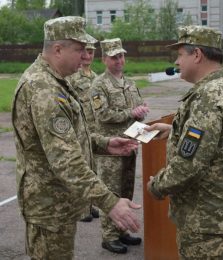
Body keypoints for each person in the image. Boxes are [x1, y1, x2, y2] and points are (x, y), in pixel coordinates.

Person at [11, 16, 141, 260]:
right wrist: (110, 203)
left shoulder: (55, 81)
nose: (85, 56)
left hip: (59, 201)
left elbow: (69, 135)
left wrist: (104, 143)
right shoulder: (44, 90)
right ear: (57, 49)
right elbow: (65, 160)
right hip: (49, 207)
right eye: (80, 49)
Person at [145, 25, 223, 259]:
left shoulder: (207, 97)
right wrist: (174, 129)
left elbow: (188, 165)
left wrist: (157, 186)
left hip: (208, 223)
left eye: (180, 54)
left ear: (197, 55)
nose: (176, 62)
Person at [89, 38, 149, 254]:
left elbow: (138, 108)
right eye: (114, 57)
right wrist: (130, 113)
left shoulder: (130, 83)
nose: (119, 60)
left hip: (130, 145)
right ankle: (109, 236)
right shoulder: (99, 85)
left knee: (126, 190)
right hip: (110, 149)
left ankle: (122, 230)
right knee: (111, 193)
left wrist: (141, 111)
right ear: (104, 59)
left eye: (121, 55)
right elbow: (102, 114)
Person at [67, 34, 99, 222]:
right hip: (78, 128)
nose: (89, 55)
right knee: (80, 167)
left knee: (92, 167)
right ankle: (80, 207)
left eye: (92, 51)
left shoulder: (95, 77)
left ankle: (89, 204)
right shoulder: (73, 76)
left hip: (93, 129)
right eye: (86, 51)